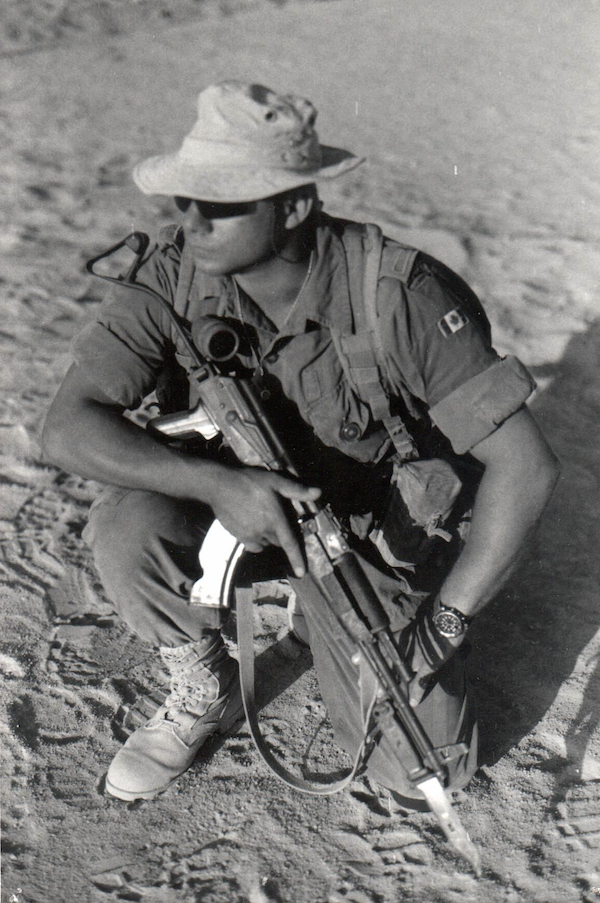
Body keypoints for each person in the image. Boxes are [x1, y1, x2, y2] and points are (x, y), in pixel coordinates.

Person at [42, 80, 559, 804]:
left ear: (292, 207)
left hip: (368, 534)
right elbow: (66, 425)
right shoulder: (171, 277)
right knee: (130, 524)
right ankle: (207, 687)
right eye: (185, 200)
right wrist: (218, 485)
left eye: (221, 204)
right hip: (245, 510)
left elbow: (526, 468)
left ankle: (330, 622)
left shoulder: (395, 295)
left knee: (425, 773)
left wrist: (442, 626)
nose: (192, 222)